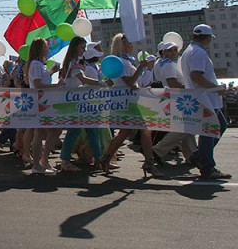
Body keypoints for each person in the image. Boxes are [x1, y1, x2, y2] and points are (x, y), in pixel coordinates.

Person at [99, 33, 163, 177]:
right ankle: (149, 163)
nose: (131, 46)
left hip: (130, 100)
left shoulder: (125, 61)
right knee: (145, 131)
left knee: (125, 132)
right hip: (127, 101)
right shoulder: (120, 62)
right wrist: (140, 67)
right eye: (129, 43)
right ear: (122, 45)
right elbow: (129, 82)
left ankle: (106, 158)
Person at [181, 24, 231, 179]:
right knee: (210, 131)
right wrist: (216, 88)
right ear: (208, 37)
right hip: (206, 98)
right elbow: (197, 76)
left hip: (201, 98)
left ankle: (199, 156)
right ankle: (207, 166)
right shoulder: (199, 53)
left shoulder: (189, 51)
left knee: (216, 128)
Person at [58, 37, 104, 172]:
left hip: (80, 101)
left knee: (91, 130)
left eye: (84, 48)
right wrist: (101, 83)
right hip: (75, 102)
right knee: (76, 131)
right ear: (75, 47)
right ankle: (65, 160)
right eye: (82, 48)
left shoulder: (73, 62)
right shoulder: (73, 62)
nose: (84, 51)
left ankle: (98, 159)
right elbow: (83, 79)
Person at [151, 42, 197, 164]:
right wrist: (189, 87)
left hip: (173, 99)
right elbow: (173, 84)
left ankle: (192, 155)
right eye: (170, 50)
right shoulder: (169, 65)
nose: (173, 53)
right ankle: (158, 150)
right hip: (177, 99)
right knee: (185, 127)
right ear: (164, 52)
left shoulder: (162, 63)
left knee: (187, 127)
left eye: (175, 50)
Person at [24, 38, 63, 175]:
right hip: (40, 102)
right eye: (45, 46)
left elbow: (41, 80)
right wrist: (56, 86)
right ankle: (37, 164)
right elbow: (37, 84)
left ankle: (42, 161)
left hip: (45, 101)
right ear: (38, 49)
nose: (47, 48)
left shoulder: (41, 64)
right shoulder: (35, 64)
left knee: (53, 130)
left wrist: (51, 72)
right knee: (39, 133)